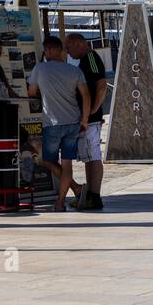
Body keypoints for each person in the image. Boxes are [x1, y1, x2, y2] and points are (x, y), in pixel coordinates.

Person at [26, 35, 91, 210]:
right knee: (67, 164)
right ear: (61, 51)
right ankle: (62, 200)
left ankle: (72, 192)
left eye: (45, 50)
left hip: (52, 123)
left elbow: (31, 92)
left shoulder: (40, 69)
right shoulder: (74, 70)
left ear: (48, 50)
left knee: (48, 161)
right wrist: (84, 120)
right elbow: (86, 95)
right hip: (73, 121)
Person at [65, 33, 108, 211]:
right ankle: (90, 194)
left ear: (78, 43)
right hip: (86, 117)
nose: (67, 52)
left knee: (93, 156)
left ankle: (94, 195)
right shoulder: (85, 60)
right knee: (88, 158)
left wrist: (93, 109)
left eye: (68, 48)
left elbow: (102, 84)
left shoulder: (90, 58)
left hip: (90, 118)